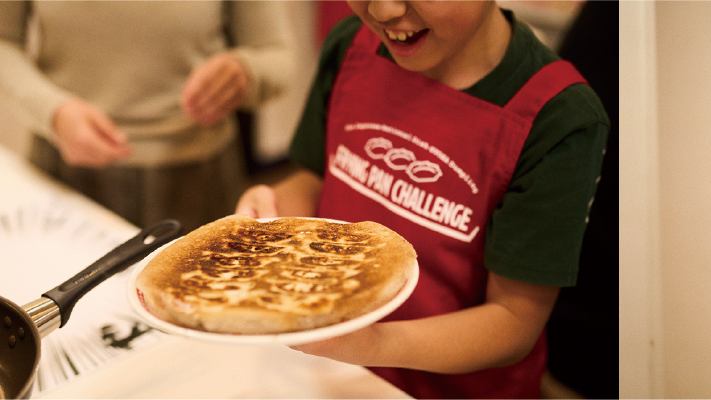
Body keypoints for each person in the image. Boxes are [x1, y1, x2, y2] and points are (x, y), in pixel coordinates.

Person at [233, 0, 608, 397]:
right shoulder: (350, 45)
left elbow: (514, 320)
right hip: (330, 375)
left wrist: (372, 345)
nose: (383, 10)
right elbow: (317, 178)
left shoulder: (557, 117)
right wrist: (270, 213)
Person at [0, 1, 300, 230]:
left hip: (198, 181)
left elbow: (277, 55)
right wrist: (53, 110)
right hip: (66, 175)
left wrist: (246, 72)